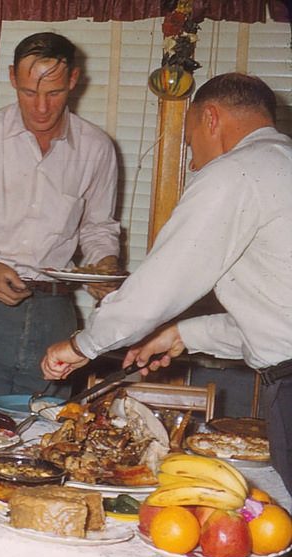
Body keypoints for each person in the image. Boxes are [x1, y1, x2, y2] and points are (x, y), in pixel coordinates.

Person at [41, 72, 292, 491]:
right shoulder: (281, 164)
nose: (193, 161)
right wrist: (180, 334)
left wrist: (81, 344)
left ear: (211, 118)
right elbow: (276, 318)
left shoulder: (236, 172)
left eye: (190, 144)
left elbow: (158, 287)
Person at [0, 32, 122, 422]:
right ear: (12, 78)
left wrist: (104, 266)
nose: (40, 106)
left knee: (42, 440)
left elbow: (99, 229)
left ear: (73, 81)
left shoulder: (97, 148)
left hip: (55, 314)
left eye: (52, 92)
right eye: (29, 91)